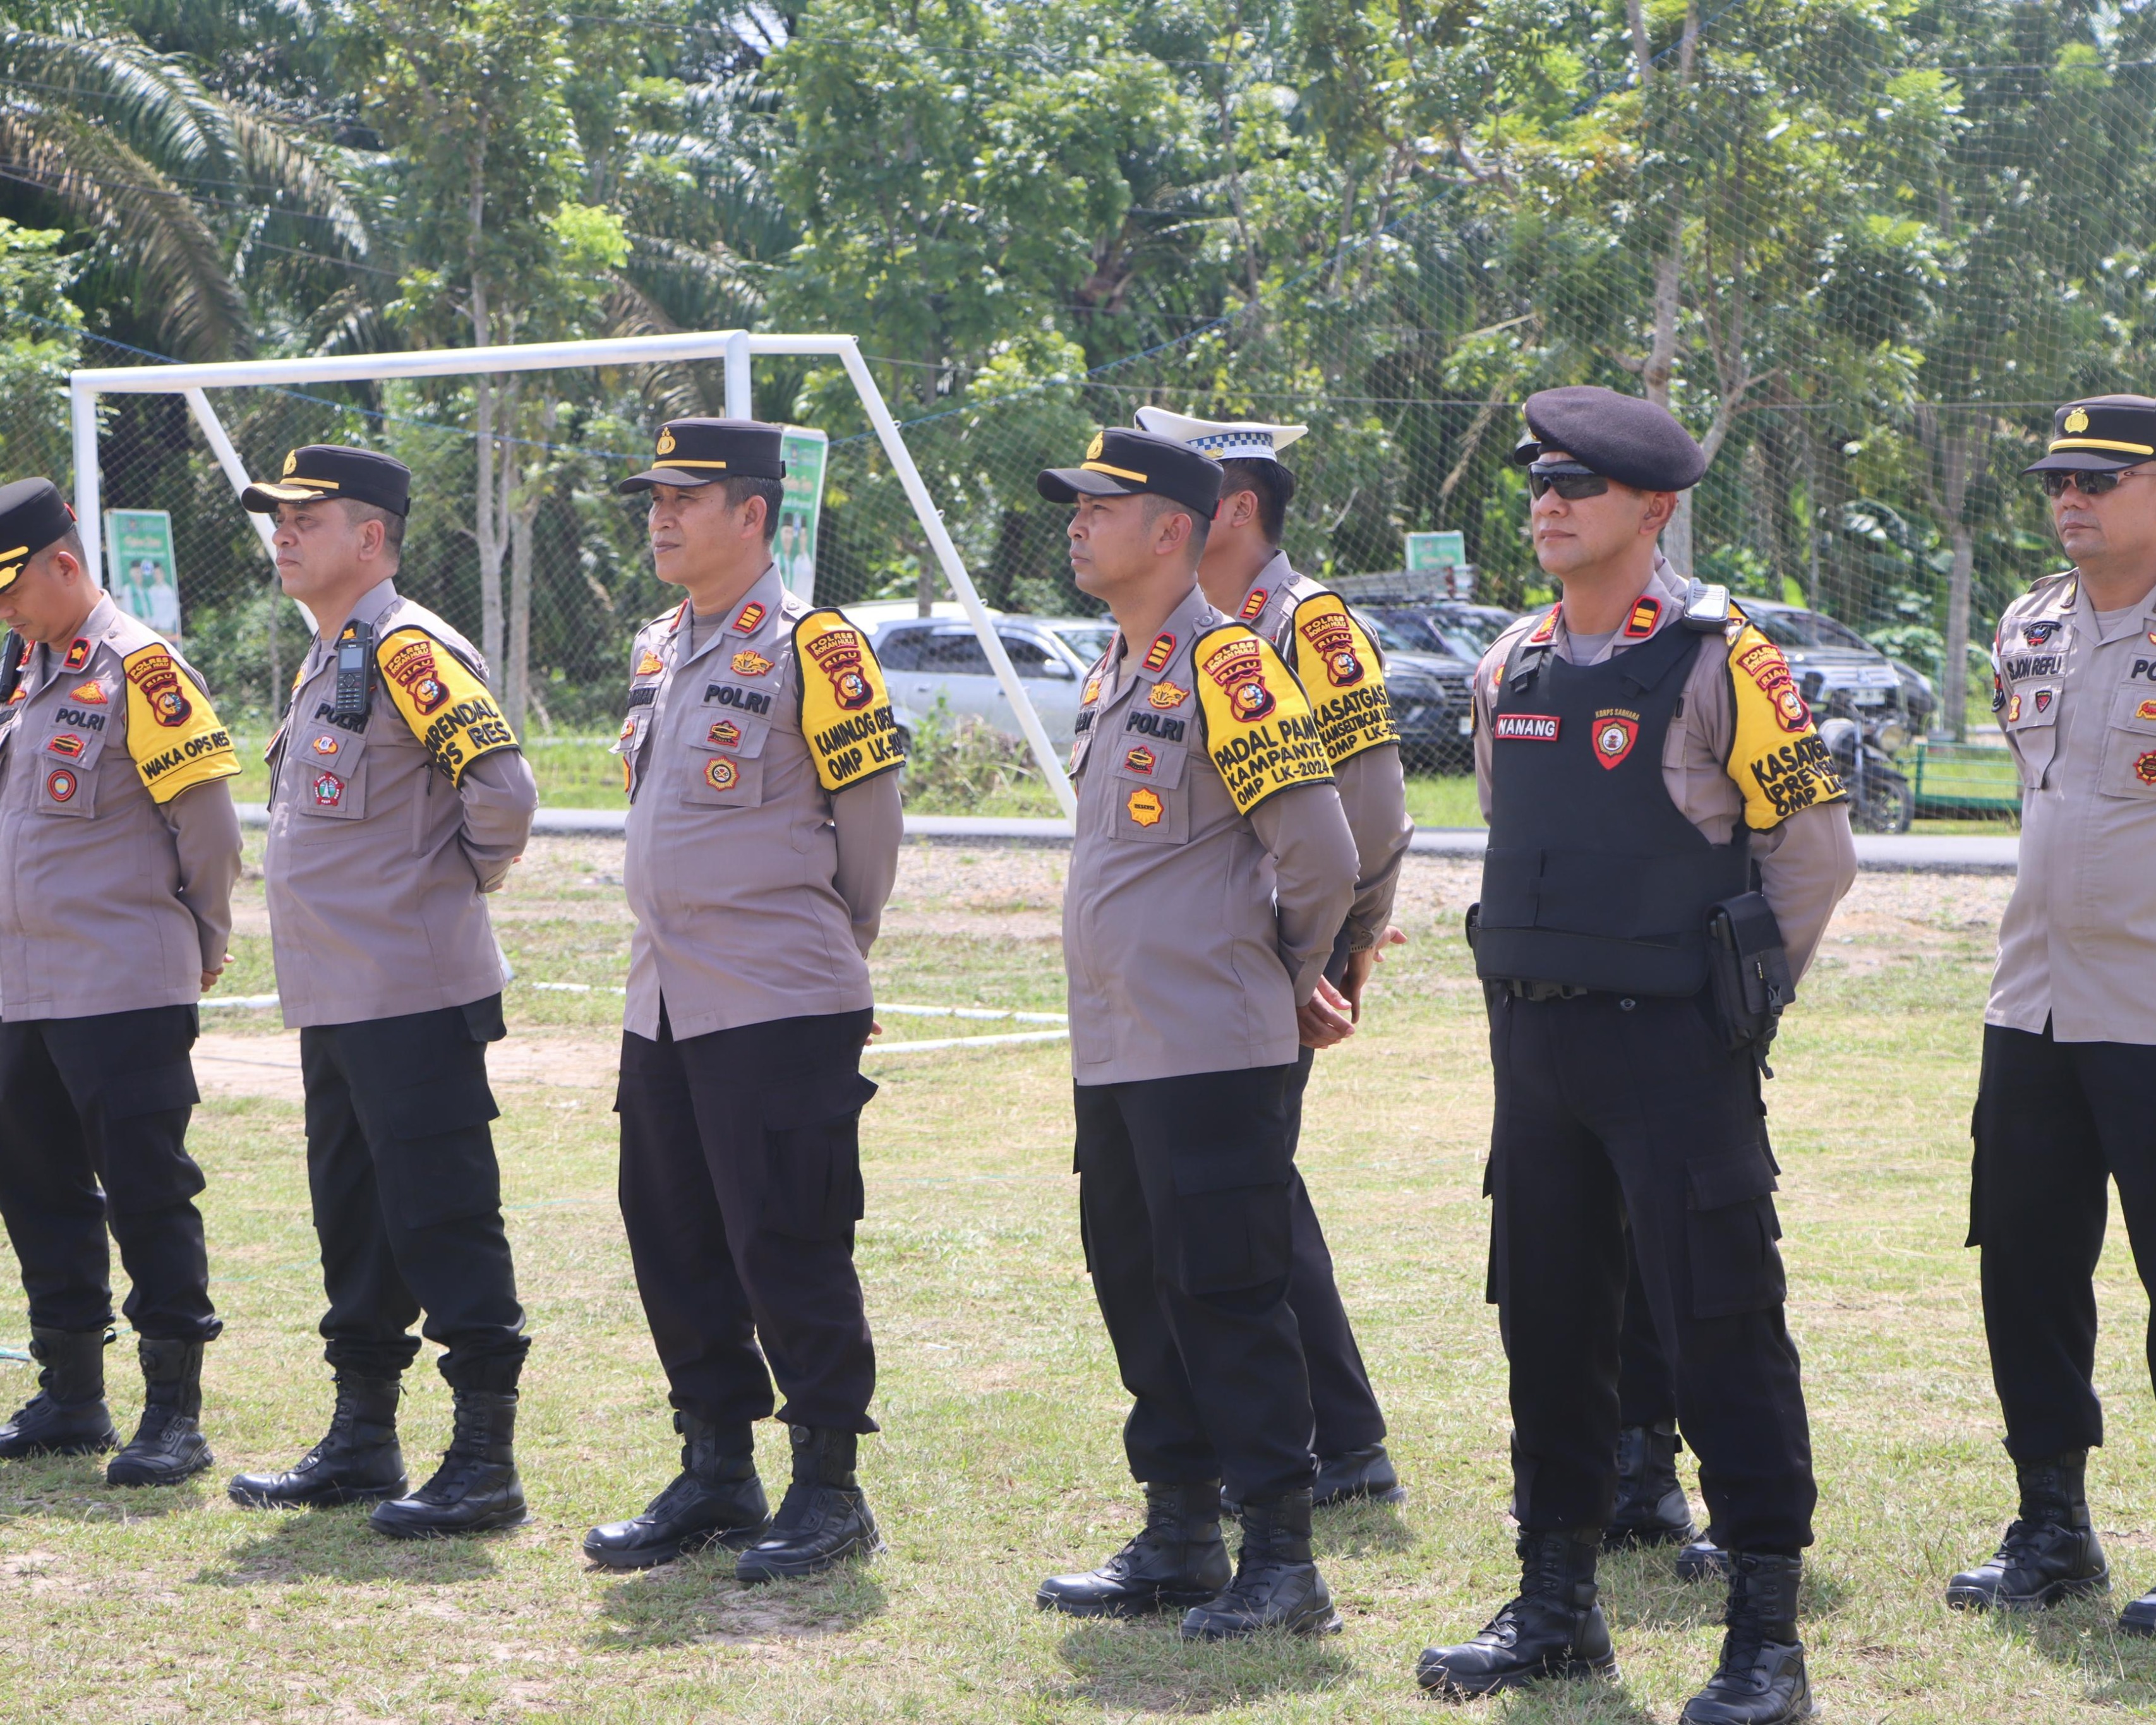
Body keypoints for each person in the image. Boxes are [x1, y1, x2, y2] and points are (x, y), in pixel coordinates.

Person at [1417, 387, 1854, 1724]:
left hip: (1675, 1047)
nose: (1549, 502)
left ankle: (1765, 1638)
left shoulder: (1728, 659)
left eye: (1581, 485)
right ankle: (1557, 1608)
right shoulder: (1511, 665)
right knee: (1548, 1326)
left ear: (1654, 508)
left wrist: (1734, 1004)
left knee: (1720, 1322)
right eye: (1540, 481)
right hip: (1537, 1051)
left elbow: (1813, 857)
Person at [1030, 426, 1361, 1639]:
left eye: (1098, 508)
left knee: (1227, 1293)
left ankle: (1281, 1561)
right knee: (1139, 1285)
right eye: (1074, 507)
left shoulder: (1228, 665)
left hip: (1213, 1045)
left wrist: (1277, 969)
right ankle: (1177, 1533)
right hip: (1118, 1046)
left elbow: (1320, 852)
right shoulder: (1112, 665)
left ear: (1174, 528)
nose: (1074, 523)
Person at [582, 419, 903, 1584]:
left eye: (686, 496)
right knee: (672, 1235)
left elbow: (868, 837)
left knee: (789, 1239)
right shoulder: (661, 643)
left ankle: (828, 1487)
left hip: (777, 995)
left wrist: (834, 948)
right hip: (663, 999)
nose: (660, 515)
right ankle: (716, 1467)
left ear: (753, 515)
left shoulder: (819, 646)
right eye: (654, 496)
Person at [223, 446, 540, 1539]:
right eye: (280, 518)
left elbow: (501, 793)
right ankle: (363, 1439)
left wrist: (446, 889)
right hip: (337, 1000)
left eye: (307, 518)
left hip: (409, 991)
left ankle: (484, 1460)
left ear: (372, 538)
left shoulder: (407, 650)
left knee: (443, 1217)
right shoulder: (329, 657)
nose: (285, 535)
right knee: (354, 1224)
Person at [1131, 406, 1411, 1508]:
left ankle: (1336, 1446)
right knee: (1252, 1192)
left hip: (1276, 965)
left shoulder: (1306, 625)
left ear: (1234, 509)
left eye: (1183, 502)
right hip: (1213, 966)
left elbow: (1375, 817)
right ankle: (1340, 1439)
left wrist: (1329, 967)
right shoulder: (1188, 623)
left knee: (1246, 1195)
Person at [1947, 393, 2156, 1635]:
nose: (2071, 500)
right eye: (2057, 483)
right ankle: (2053, 1524)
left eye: (2102, 480)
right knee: (2024, 1266)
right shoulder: (2028, 625)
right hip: (2033, 1004)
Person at [0, 477, 241, 1486]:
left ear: (64, 563)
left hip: (123, 985)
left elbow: (211, 828)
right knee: (36, 1190)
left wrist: (202, 937)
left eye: (13, 588)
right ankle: (72, 1395)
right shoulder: (21, 673)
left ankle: (173, 1414)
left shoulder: (143, 671)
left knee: (147, 1190)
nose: (4, 609)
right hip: (20, 988)